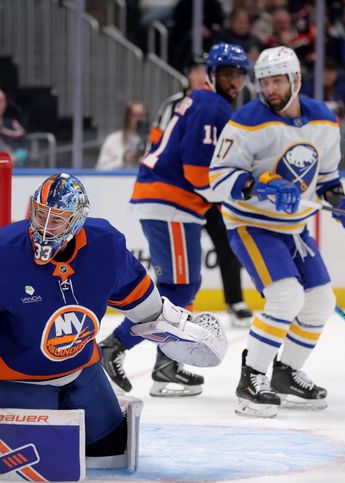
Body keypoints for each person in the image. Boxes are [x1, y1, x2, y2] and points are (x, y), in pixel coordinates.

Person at [0, 173, 205, 461]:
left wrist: (169, 322)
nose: (44, 227)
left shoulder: (104, 245)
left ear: (77, 221)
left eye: (57, 219)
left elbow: (137, 295)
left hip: (83, 371)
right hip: (16, 376)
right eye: (40, 214)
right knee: (35, 461)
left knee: (111, 452)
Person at [208, 46, 345, 418]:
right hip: (251, 224)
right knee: (285, 297)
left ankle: (286, 373)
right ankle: (251, 378)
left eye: (278, 80)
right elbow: (216, 180)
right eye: (264, 81)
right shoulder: (246, 121)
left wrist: (342, 205)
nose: (270, 88)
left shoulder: (325, 120)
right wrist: (258, 185)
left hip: (293, 228)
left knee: (320, 301)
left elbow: (329, 178)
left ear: (296, 79)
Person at [98, 42, 249, 397]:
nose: (234, 81)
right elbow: (198, 174)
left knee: (181, 286)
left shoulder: (202, 101)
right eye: (227, 73)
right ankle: (115, 348)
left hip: (167, 202)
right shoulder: (212, 105)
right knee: (179, 288)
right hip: (172, 203)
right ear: (211, 74)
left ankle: (165, 362)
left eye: (239, 74)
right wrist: (241, 189)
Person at [147, 54, 253, 327]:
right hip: (188, 190)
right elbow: (159, 143)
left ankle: (234, 300)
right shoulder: (179, 105)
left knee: (227, 246)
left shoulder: (218, 104)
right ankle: (155, 331)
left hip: (206, 194)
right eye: (194, 69)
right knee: (180, 280)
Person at [95, 101, 148, 170]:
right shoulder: (113, 139)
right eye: (135, 115)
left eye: (142, 115)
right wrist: (123, 159)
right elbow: (100, 168)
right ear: (127, 117)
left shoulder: (152, 141)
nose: (139, 119)